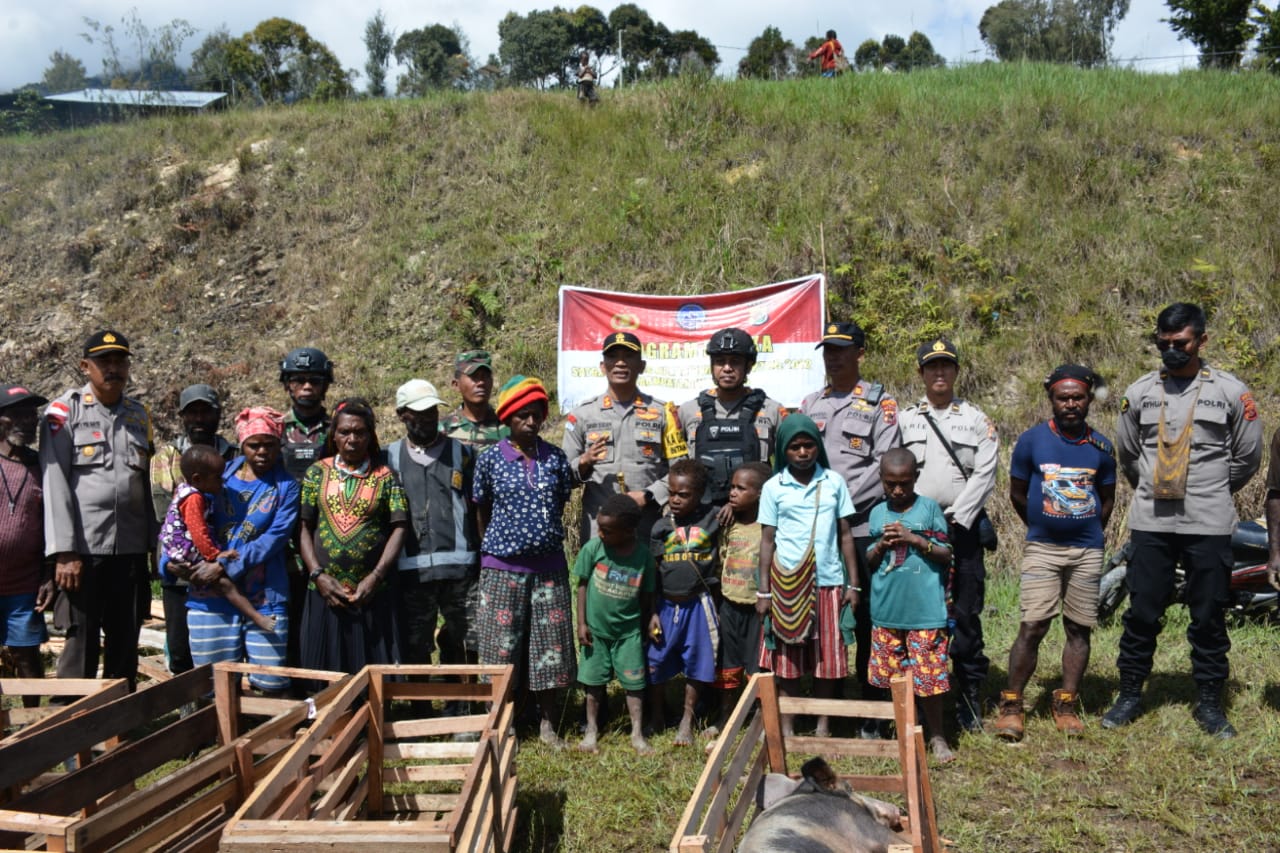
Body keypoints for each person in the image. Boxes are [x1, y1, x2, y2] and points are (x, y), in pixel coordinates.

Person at [1104, 303, 1262, 738]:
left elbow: (1248, 457)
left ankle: (1210, 703)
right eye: (1164, 344)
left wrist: (1207, 488)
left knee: (1208, 614)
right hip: (1152, 521)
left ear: (1202, 341)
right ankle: (1131, 693)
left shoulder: (1230, 392)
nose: (1172, 351)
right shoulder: (1138, 392)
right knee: (1142, 612)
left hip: (1208, 521)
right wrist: (1155, 486)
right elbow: (1129, 455)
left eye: (1182, 343)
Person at [996, 365, 1116, 742]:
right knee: (1033, 626)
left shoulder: (1101, 447)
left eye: (1077, 397)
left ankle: (1065, 703)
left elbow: (1108, 500)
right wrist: (1041, 526)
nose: (1070, 404)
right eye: (1063, 397)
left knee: (1079, 628)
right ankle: (1012, 705)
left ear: (1088, 399)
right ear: (1051, 398)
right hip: (1043, 549)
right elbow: (1017, 493)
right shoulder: (1031, 441)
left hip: (1086, 551)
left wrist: (1087, 530)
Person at [41, 330, 155, 689]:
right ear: (85, 366)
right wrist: (64, 551)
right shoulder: (64, 412)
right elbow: (54, 481)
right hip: (84, 553)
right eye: (104, 361)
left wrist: (153, 544)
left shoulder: (139, 415)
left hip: (130, 550)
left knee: (125, 640)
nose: (114, 368)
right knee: (81, 640)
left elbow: (146, 486)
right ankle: (73, 722)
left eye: (120, 360)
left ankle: (120, 723)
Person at [897, 338, 999, 732]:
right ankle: (916, 694)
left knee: (966, 612)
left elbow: (986, 471)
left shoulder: (975, 418)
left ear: (956, 372)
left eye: (947, 366)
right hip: (916, 529)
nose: (939, 373)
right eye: (932, 367)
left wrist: (959, 516)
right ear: (921, 373)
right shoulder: (906, 419)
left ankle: (969, 694)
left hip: (962, 529)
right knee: (918, 612)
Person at [800, 321, 900, 719]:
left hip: (860, 527)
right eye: (828, 350)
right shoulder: (811, 404)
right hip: (816, 532)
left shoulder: (880, 404)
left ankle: (871, 703)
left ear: (860, 353)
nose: (833, 357)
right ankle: (827, 700)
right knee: (822, 614)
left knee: (866, 617)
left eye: (842, 349)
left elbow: (886, 464)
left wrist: (838, 503)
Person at [472, 376, 576, 746]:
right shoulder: (490, 460)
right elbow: (481, 506)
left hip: (549, 569)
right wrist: (493, 548)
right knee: (501, 648)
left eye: (537, 416)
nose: (531, 423)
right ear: (508, 420)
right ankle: (505, 722)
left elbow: (560, 502)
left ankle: (548, 725)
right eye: (523, 416)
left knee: (551, 646)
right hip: (502, 570)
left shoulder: (556, 459)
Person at [756, 415, 859, 739]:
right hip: (787, 585)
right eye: (794, 446)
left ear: (818, 446)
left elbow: (845, 535)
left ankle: (822, 725)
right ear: (783, 450)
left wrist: (852, 584)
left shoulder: (833, 482)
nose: (802, 452)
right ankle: (786, 727)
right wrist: (763, 591)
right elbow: (767, 540)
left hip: (827, 581)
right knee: (787, 660)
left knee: (827, 659)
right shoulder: (774, 487)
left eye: (809, 445)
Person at [184, 407, 298, 695]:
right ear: (242, 445)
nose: (262, 452)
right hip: (210, 594)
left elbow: (274, 537)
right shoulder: (219, 474)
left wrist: (224, 566)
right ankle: (221, 737)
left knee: (270, 681)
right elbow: (187, 516)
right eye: (253, 445)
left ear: (279, 444)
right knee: (213, 683)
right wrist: (173, 561)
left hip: (263, 594)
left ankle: (272, 737)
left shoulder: (286, 488)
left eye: (269, 445)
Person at [386, 380, 480, 703]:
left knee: (465, 640)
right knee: (416, 644)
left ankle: (461, 706)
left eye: (431, 413)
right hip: (412, 572)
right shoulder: (391, 458)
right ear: (401, 415)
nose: (426, 420)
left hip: (460, 571)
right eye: (417, 415)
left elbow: (478, 507)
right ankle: (421, 708)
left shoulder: (462, 453)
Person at [299, 399, 407, 677]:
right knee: (325, 670)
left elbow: (400, 526)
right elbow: (304, 526)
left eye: (360, 432)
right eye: (345, 432)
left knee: (371, 670)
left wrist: (376, 576)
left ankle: (373, 720)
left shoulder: (386, 477)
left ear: (370, 436)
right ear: (333, 435)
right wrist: (318, 576)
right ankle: (331, 720)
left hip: (371, 592)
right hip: (325, 591)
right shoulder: (316, 474)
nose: (352, 439)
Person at [865, 449, 955, 762]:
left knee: (929, 680)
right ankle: (905, 730)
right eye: (891, 484)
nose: (898, 490)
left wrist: (914, 539)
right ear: (881, 480)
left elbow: (946, 555)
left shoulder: (929, 509)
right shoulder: (877, 514)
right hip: (887, 611)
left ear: (916, 478)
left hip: (925, 612)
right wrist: (881, 545)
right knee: (893, 678)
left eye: (904, 483)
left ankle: (938, 736)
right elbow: (869, 561)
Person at [564, 332, 686, 544]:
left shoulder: (663, 412)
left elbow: (682, 470)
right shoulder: (583, 415)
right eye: (613, 357)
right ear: (603, 366)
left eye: (628, 356)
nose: (620, 363)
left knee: (647, 577)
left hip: (646, 525)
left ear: (642, 366)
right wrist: (583, 463)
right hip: (599, 527)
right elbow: (563, 475)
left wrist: (649, 495)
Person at [150, 383, 238, 677]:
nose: (199, 419)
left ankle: (223, 706)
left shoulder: (234, 456)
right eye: (192, 413)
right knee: (180, 644)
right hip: (180, 569)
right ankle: (188, 709)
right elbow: (163, 514)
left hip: (223, 567)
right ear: (182, 417)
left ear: (218, 414)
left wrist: (219, 561)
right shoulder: (165, 459)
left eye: (206, 411)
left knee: (224, 641)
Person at [160, 445, 276, 634]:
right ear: (198, 479)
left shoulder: (185, 490)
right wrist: (216, 555)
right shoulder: (194, 498)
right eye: (217, 478)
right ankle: (257, 617)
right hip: (186, 549)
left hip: (178, 548)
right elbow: (199, 532)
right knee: (225, 584)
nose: (222, 482)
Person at [575, 493, 658, 754]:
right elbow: (582, 586)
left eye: (607, 530)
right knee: (593, 683)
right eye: (599, 527)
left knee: (635, 684)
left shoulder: (643, 556)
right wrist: (581, 623)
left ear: (629, 531)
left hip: (628, 633)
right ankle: (591, 731)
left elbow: (648, 594)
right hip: (596, 633)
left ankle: (636, 733)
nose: (600, 533)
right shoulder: (593, 549)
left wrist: (651, 618)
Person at [647, 458, 721, 746]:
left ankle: (687, 721)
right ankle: (656, 716)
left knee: (697, 660)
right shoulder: (660, 527)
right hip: (665, 605)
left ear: (699, 493)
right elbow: (653, 571)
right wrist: (652, 611)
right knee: (656, 657)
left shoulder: (714, 517)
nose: (675, 500)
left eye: (683, 495)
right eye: (672, 493)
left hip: (699, 605)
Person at [677, 327, 787, 506]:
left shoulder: (772, 411)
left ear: (748, 366)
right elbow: (675, 467)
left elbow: (788, 466)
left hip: (755, 514)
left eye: (735, 362)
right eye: (720, 361)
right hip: (701, 513)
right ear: (712, 366)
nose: (727, 368)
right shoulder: (688, 411)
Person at [279, 346, 335, 674]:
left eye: (314, 380)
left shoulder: (339, 429)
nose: (306, 387)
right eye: (298, 380)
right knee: (288, 615)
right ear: (287, 384)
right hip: (283, 542)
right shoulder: (274, 429)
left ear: (325, 384)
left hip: (329, 540)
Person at [709, 461, 772, 736]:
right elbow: (721, 560)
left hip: (757, 607)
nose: (732, 493)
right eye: (732, 487)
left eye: (741, 488)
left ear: (759, 494)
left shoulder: (768, 528)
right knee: (727, 663)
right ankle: (726, 715)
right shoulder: (728, 524)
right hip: (730, 603)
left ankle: (760, 718)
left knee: (756, 664)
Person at [0, 383, 54, 699]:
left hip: (24, 586)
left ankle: (35, 730)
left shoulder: (42, 467)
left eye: (31, 414)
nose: (27, 421)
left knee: (27, 657)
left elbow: (54, 524)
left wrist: (48, 574)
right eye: (16, 414)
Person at [441, 350, 507, 449]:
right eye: (474, 376)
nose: (481, 382)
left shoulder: (507, 427)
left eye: (485, 376)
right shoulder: (442, 429)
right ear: (456, 385)